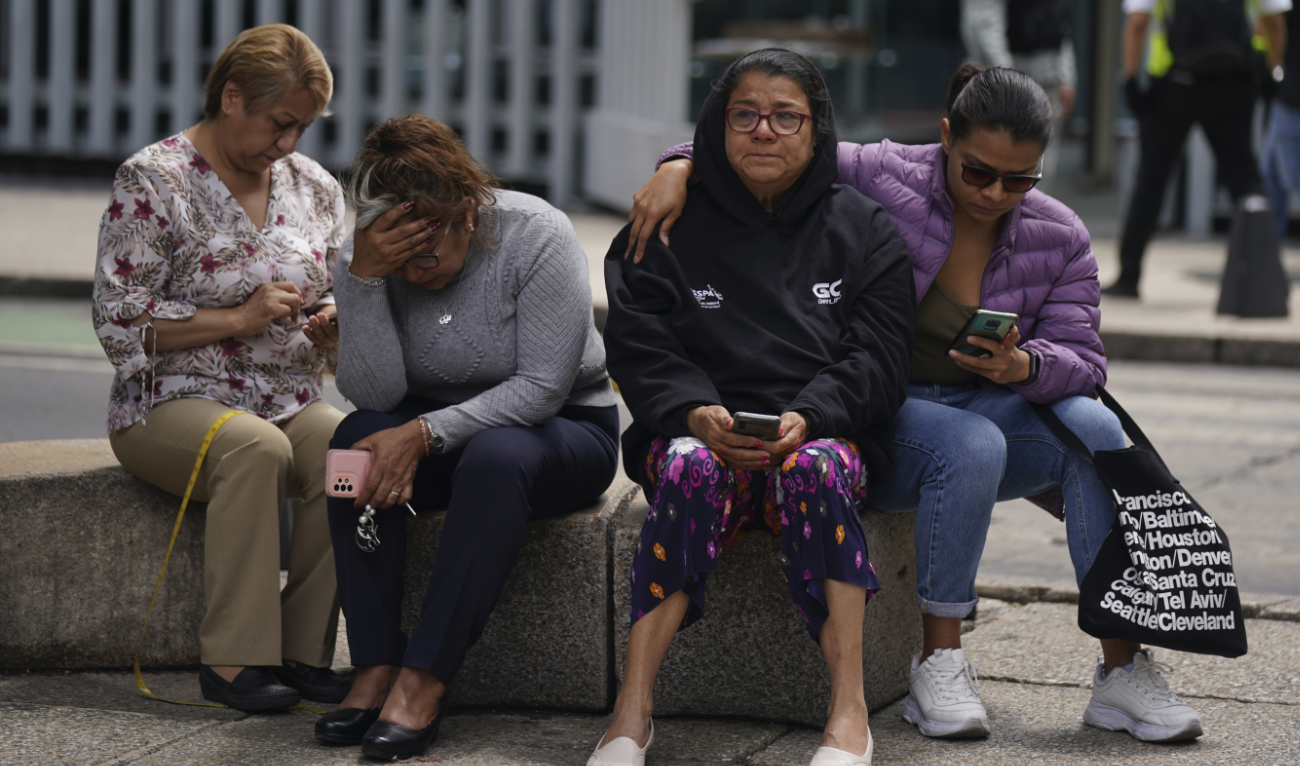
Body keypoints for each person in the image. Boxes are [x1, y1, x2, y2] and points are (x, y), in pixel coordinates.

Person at [628, 64, 1208, 744]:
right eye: (978, 172)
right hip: (885, 410)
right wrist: (676, 166)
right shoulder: (884, 173)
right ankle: (939, 659)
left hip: (982, 400)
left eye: (1019, 179)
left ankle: (1122, 669)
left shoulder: (1060, 234)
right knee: (970, 444)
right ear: (944, 140)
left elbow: (1084, 360)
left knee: (1096, 429)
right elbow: (777, 137)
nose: (996, 192)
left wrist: (1025, 363)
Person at [593, 49, 915, 766]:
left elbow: (881, 359)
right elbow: (640, 344)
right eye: (744, 114)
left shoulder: (866, 231)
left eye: (784, 117)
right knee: (685, 467)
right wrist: (694, 411)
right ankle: (631, 712)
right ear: (718, 122)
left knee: (818, 472)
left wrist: (813, 414)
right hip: (697, 432)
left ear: (816, 129)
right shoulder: (664, 225)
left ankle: (849, 712)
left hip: (820, 436)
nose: (763, 131)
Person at [316, 114, 619, 761]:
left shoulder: (536, 233)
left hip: (559, 430)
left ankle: (425, 676)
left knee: (496, 454)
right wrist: (364, 281)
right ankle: (373, 662)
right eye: (398, 258)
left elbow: (541, 387)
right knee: (352, 441)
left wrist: (425, 434)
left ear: (465, 212)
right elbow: (375, 397)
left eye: (426, 251)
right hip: (427, 426)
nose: (415, 270)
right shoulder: (369, 256)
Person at [93, 23, 351, 711]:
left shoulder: (316, 187)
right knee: (255, 447)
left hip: (288, 393)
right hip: (167, 403)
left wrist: (330, 326)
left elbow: (335, 291)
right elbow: (119, 319)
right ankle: (235, 662)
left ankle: (303, 654)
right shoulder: (153, 179)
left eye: (303, 127)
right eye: (280, 123)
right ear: (231, 97)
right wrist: (238, 320)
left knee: (345, 448)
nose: (289, 143)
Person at [1106, 0, 1289, 297]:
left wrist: (1128, 79)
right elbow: (1277, 23)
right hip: (1234, 81)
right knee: (1246, 181)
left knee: (1151, 179)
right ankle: (1264, 276)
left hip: (1174, 85)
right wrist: (1270, 72)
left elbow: (1138, 23)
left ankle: (1129, 276)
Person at [961, 0, 1077, 190]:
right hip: (999, 83)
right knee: (992, 166)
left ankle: (1033, 216)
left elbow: (1059, 23)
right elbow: (984, 31)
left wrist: (1066, 77)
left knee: (1041, 165)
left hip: (1047, 78)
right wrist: (1010, 81)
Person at [1262, 6, 1299, 238]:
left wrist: (1272, 73)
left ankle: (1268, 248)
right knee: (1271, 173)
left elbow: (1273, 25)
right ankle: (1268, 248)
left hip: (1291, 97)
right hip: (1288, 96)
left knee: (1283, 176)